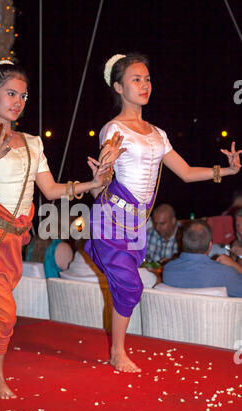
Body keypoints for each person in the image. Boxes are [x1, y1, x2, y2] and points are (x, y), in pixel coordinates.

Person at [0, 60, 122, 400]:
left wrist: (92, 183)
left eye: (23, 95)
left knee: (1, 305)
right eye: (10, 93)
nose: (18, 101)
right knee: (4, 312)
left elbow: (52, 190)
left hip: (13, 238)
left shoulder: (32, 142)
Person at [85, 53, 241, 373]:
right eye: (135, 80)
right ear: (118, 86)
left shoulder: (157, 133)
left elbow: (183, 172)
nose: (144, 85)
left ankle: (117, 349)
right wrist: (105, 165)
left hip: (138, 222)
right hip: (112, 217)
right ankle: (117, 352)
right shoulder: (113, 130)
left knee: (127, 285)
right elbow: (101, 178)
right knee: (130, 286)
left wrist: (225, 171)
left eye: (147, 79)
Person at [163, 220, 242, 296]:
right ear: (210, 246)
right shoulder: (225, 275)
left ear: (182, 242)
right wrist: (235, 265)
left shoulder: (169, 270)